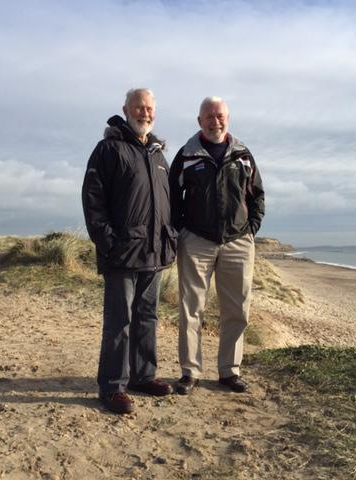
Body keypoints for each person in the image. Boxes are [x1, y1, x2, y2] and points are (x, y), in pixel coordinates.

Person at [82, 88, 178, 414]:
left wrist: (171, 238)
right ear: (125, 109)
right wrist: (108, 242)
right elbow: (93, 201)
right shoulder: (108, 149)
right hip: (121, 252)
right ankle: (112, 387)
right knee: (119, 321)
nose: (144, 113)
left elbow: (170, 204)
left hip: (154, 252)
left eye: (149, 108)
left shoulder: (158, 154)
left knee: (147, 318)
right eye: (138, 107)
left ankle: (143, 375)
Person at [169, 96, 265, 395]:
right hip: (196, 241)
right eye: (208, 116)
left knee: (236, 309)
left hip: (238, 241)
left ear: (228, 118)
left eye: (220, 115)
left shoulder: (243, 154)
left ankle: (229, 371)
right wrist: (181, 231)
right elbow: (172, 196)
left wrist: (251, 230)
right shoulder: (186, 155)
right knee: (190, 309)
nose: (215, 121)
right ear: (199, 121)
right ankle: (190, 372)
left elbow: (257, 194)